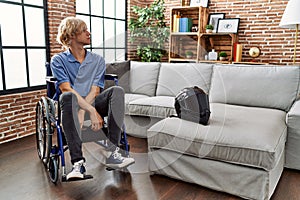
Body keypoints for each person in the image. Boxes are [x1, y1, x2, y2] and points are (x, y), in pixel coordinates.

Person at [50, 17, 135, 180]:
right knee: (67, 96)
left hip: (92, 102)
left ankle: (113, 153)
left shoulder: (97, 60)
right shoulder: (58, 60)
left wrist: (84, 110)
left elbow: (95, 90)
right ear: (72, 34)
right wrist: (89, 110)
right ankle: (78, 164)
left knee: (116, 91)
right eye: (84, 30)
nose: (89, 33)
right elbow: (66, 88)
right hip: (70, 105)